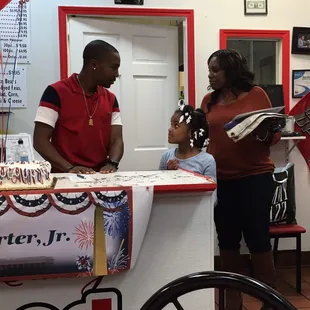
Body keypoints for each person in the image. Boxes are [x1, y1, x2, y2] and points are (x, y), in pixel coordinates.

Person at [201, 49, 281, 310]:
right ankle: (231, 301)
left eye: (215, 70)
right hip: (221, 180)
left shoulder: (257, 94)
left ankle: (270, 302)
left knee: (257, 240)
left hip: (255, 178)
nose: (210, 75)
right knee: (227, 242)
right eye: (209, 70)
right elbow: (201, 137)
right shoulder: (208, 101)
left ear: (231, 71)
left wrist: (261, 132)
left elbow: (274, 134)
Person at [33, 40, 123, 174]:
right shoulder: (55, 92)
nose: (116, 74)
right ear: (94, 64)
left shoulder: (111, 99)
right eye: (113, 67)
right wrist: (69, 168)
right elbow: (40, 141)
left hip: (100, 177)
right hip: (65, 176)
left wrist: (112, 163)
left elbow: (117, 139)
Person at [159, 102, 216, 183]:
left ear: (191, 132)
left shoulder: (207, 160)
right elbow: (159, 185)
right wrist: (168, 172)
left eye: (176, 125)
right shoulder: (167, 156)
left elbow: (211, 193)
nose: (170, 129)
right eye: (171, 125)